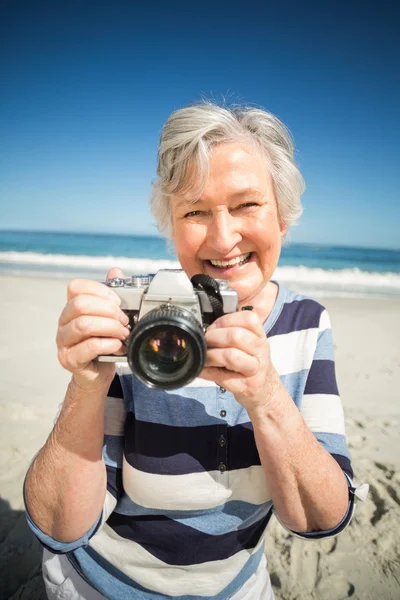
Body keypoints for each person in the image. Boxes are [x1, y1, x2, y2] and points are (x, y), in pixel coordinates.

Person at [24, 102, 366, 600]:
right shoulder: (143, 321)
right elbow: (61, 529)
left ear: (283, 218)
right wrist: (86, 385)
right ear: (173, 225)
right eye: (195, 211)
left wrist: (267, 396)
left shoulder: (305, 323)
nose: (224, 238)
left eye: (247, 205)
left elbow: (320, 520)